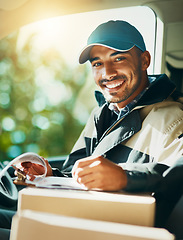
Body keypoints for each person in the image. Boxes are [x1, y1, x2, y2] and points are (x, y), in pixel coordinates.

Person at [0, 20, 183, 239]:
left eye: (119, 58)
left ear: (144, 61)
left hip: (112, 227)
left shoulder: (173, 117)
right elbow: (74, 176)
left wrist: (126, 177)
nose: (108, 72)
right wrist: (50, 175)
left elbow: (175, 178)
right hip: (77, 212)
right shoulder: (100, 115)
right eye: (97, 64)